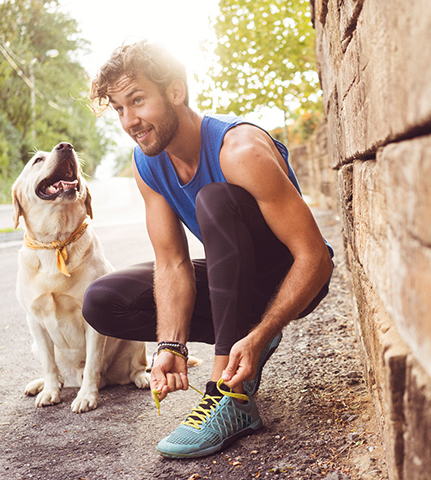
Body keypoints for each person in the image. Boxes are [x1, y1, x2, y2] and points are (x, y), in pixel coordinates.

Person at [83, 40, 334, 459]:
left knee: (214, 200)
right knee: (103, 301)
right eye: (119, 109)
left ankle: (227, 395)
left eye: (138, 101)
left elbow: (316, 259)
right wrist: (171, 346)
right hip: (232, 279)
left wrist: (263, 332)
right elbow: (172, 263)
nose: (130, 120)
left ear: (175, 92)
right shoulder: (147, 163)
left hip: (289, 277)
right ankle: (238, 342)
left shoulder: (240, 150)